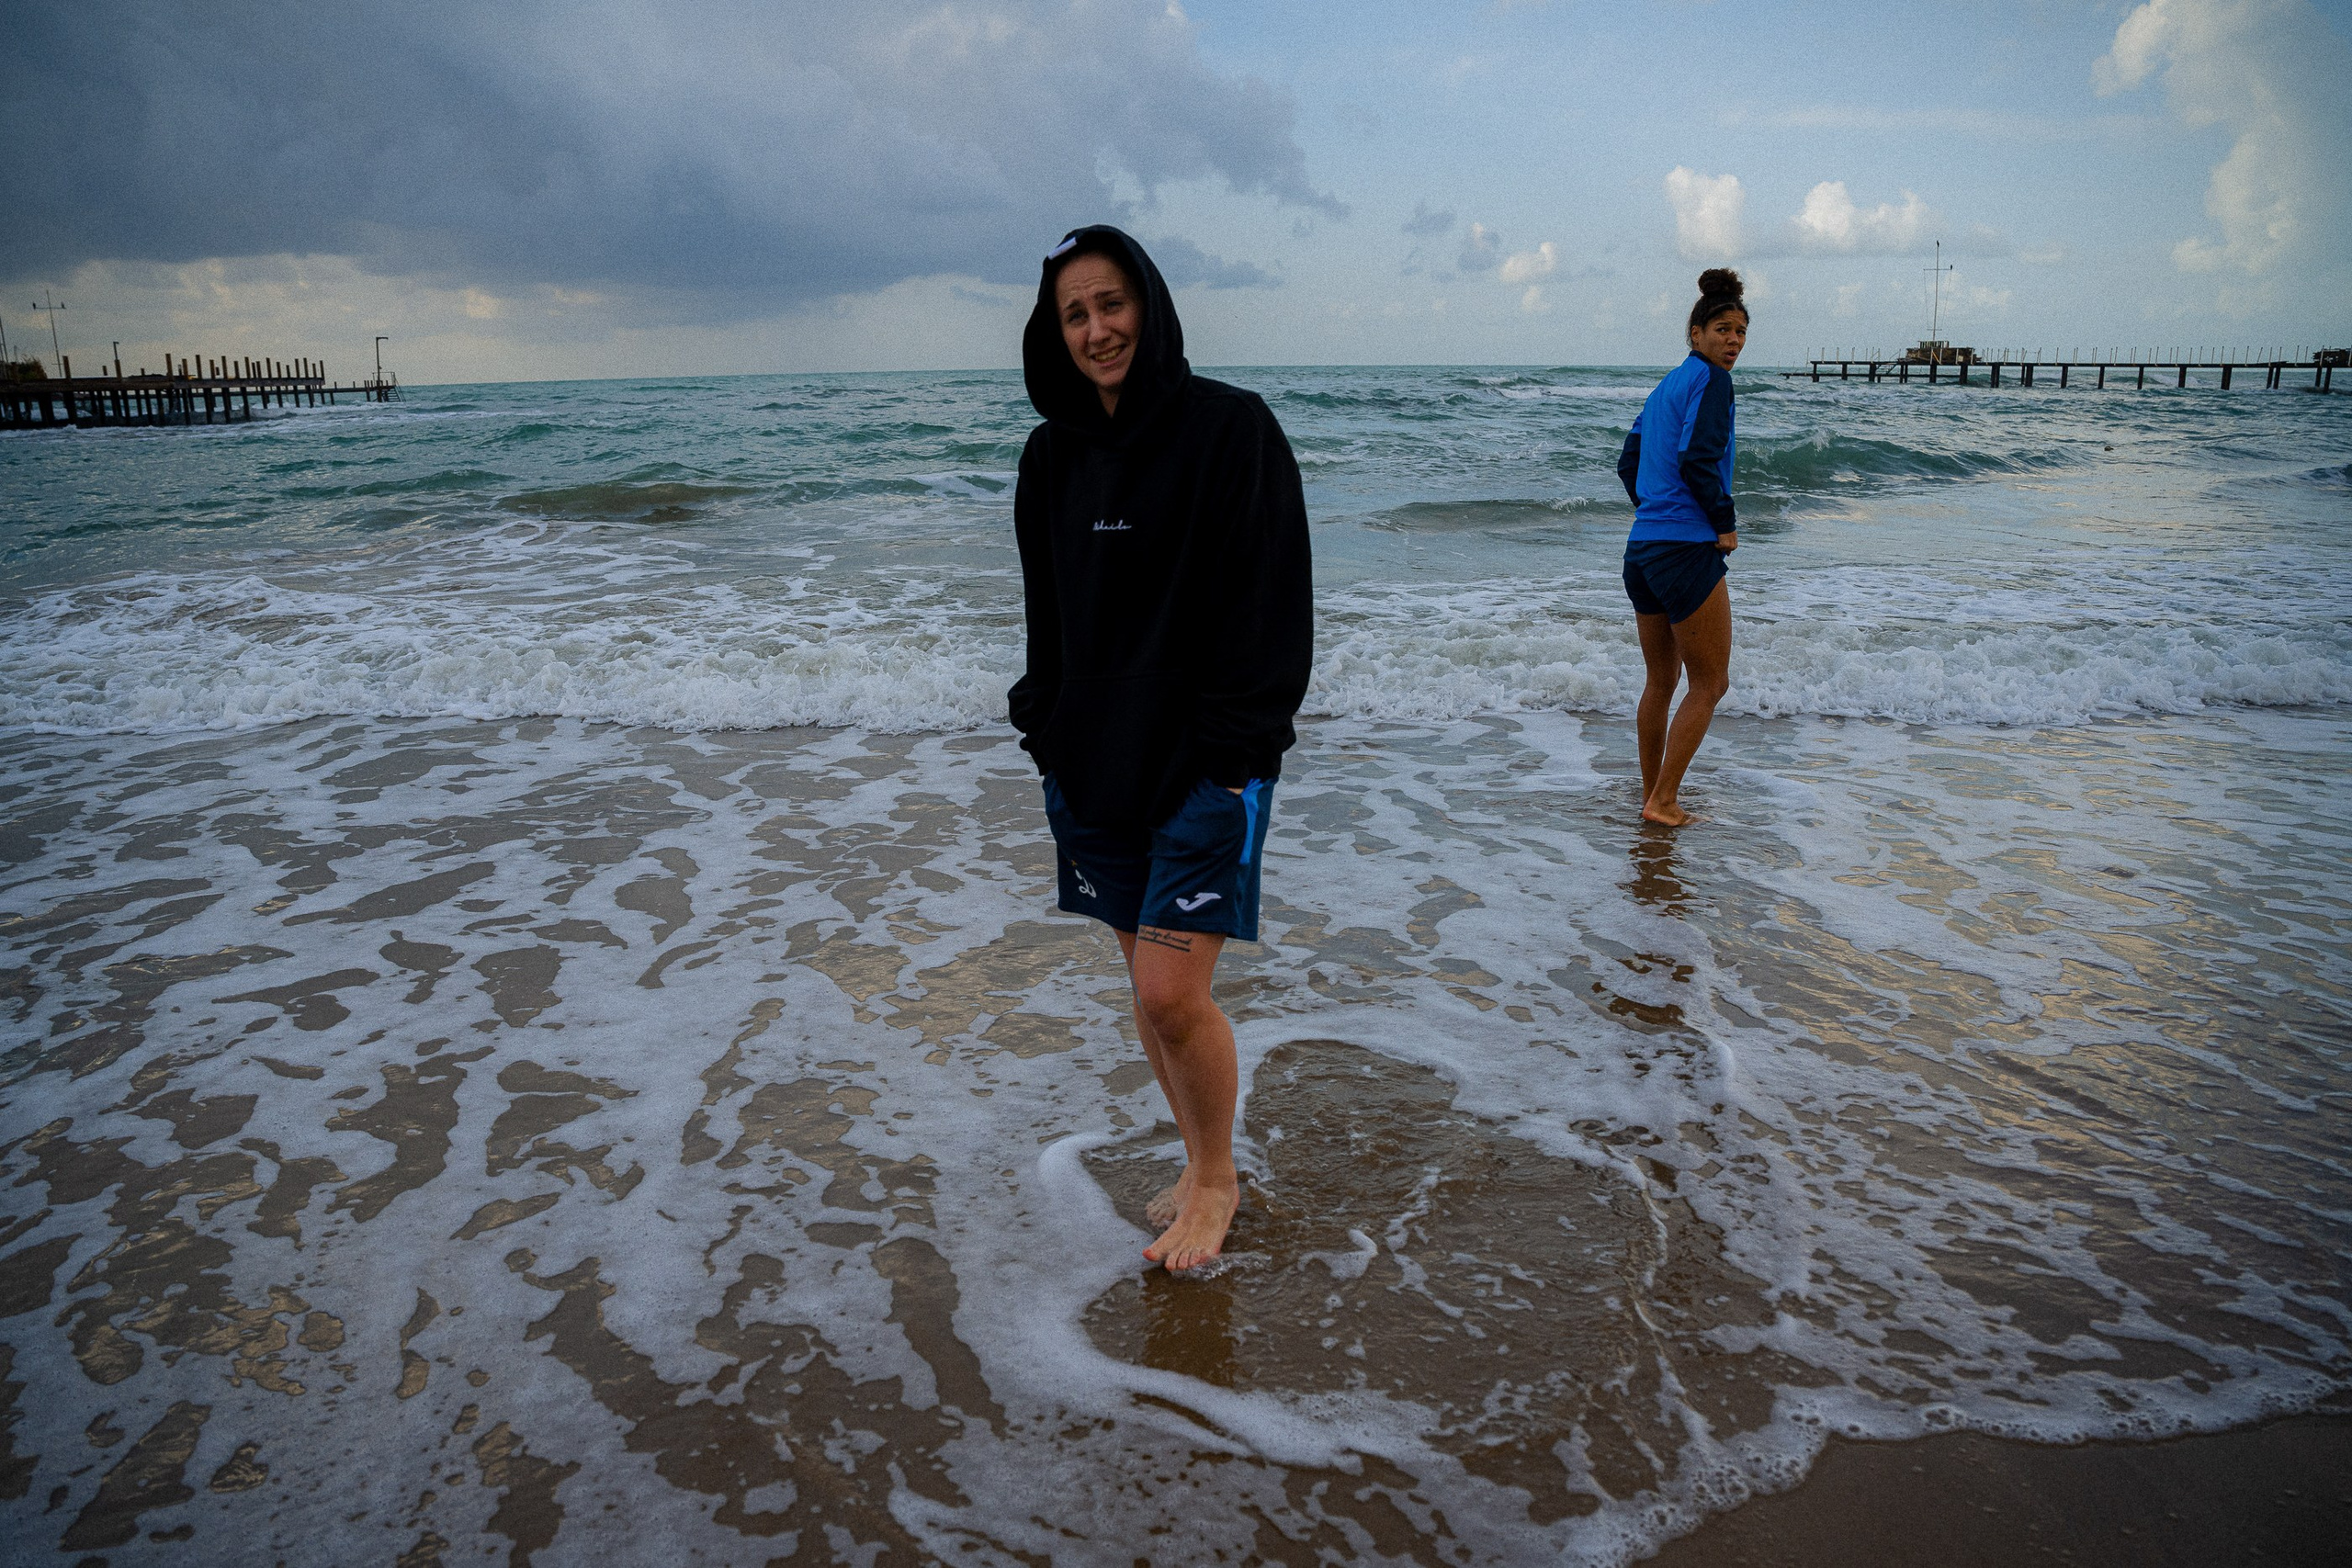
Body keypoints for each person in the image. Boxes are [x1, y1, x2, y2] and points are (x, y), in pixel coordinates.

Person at [1008, 226, 1313, 1274]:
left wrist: (1230, 760)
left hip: (1205, 769)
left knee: (1170, 993)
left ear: (1150, 302)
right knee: (1147, 985)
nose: (1097, 330)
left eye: (1112, 303)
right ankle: (1195, 1161)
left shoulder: (1233, 431)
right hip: (1093, 770)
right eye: (1074, 314)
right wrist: (1045, 729)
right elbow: (1047, 618)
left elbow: (1276, 611)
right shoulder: (1048, 457)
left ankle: (1218, 1179)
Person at [1615, 267, 1747, 827]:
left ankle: (1652, 794)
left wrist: (1653, 507)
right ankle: (1664, 801)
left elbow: (1628, 461)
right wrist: (1724, 522)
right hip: (1685, 549)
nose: (1733, 341)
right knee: (1710, 682)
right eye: (1722, 329)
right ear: (1695, 333)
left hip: (1642, 550)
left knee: (1661, 681)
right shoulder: (1711, 382)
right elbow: (1698, 460)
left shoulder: (1664, 386)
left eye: (1741, 332)